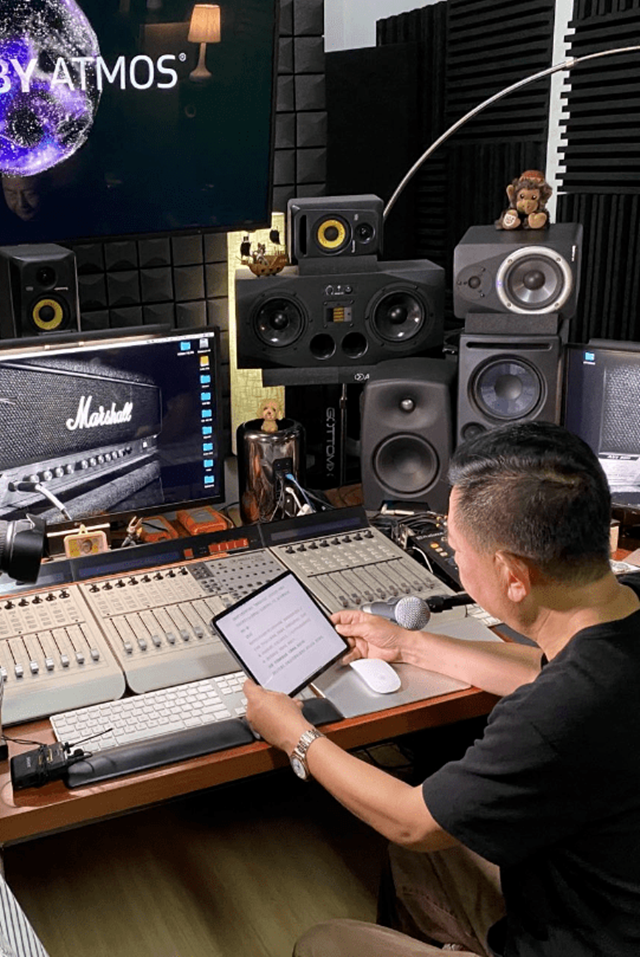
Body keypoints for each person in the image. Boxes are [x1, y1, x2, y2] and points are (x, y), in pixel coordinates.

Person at [244, 420, 640, 957]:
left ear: (513, 576)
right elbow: (545, 670)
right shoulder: (618, 611)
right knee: (423, 851)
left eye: (455, 549)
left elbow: (411, 821)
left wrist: (295, 736)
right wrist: (408, 646)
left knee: (323, 944)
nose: (453, 558)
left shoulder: (556, 716)